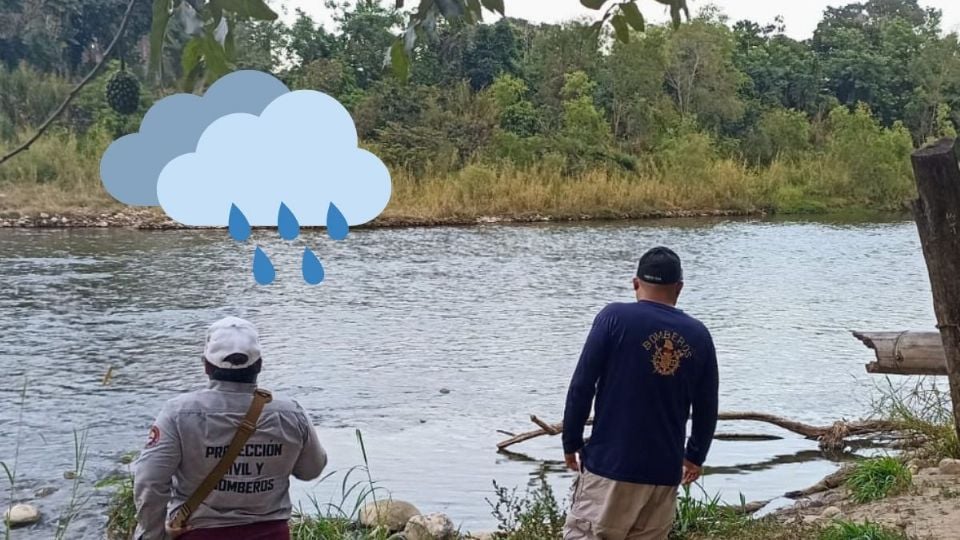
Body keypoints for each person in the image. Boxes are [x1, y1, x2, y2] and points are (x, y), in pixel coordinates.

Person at [562, 247, 719, 540]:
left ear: (636, 283)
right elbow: (707, 406)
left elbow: (582, 385)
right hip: (663, 472)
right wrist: (695, 455)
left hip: (610, 466)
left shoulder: (614, 318)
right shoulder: (699, 335)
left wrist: (570, 441)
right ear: (680, 288)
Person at [134, 316, 327, 540]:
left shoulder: (178, 414)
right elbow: (312, 469)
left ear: (206, 365)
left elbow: (149, 481)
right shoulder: (292, 413)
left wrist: (153, 535)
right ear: (259, 365)